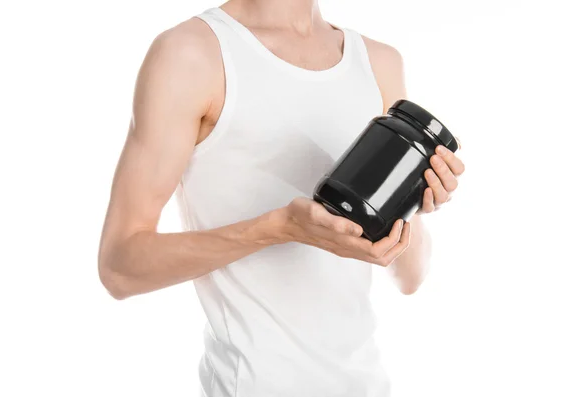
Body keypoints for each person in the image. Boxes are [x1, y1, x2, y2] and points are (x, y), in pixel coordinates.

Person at [97, 0, 465, 396]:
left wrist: (415, 200)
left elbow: (409, 277)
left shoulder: (379, 62)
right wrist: (278, 229)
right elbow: (120, 268)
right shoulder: (193, 54)